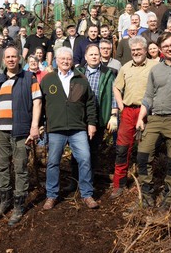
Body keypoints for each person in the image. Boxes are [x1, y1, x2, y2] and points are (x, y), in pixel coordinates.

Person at [39, 47, 99, 210]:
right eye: (62, 59)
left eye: (68, 59)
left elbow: (90, 103)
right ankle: (51, 195)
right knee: (52, 162)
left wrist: (91, 123)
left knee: (85, 159)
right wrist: (39, 125)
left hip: (77, 127)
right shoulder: (48, 80)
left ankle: (87, 194)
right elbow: (40, 105)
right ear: (56, 61)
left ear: (72, 60)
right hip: (56, 128)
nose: (65, 61)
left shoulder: (80, 79)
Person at [0, 46, 42, 225]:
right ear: (4, 60)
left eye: (14, 56)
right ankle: (5, 200)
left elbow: (37, 102)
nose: (11, 59)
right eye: (8, 57)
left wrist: (34, 127)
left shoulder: (29, 78)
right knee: (2, 167)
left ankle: (19, 205)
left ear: (19, 58)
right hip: (0, 132)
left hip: (21, 130)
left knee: (20, 168)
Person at [134, 33, 171, 208]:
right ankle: (147, 194)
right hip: (155, 117)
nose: (170, 48)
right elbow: (148, 96)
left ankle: (170, 195)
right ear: (160, 49)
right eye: (165, 47)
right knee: (143, 155)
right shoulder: (155, 69)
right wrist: (141, 117)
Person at [111, 36, 158, 199]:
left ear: (145, 50)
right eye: (134, 50)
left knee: (145, 150)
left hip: (148, 113)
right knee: (122, 149)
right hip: (129, 112)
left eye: (139, 49)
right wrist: (121, 105)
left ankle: (145, 184)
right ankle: (119, 184)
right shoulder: (125, 68)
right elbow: (116, 87)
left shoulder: (154, 66)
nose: (136, 52)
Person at [68, 45, 118, 190]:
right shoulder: (78, 72)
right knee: (76, 150)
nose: (94, 57)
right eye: (91, 54)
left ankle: (89, 181)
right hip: (80, 118)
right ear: (85, 57)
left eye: (96, 54)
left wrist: (113, 115)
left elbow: (114, 94)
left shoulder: (108, 73)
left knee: (93, 151)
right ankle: (73, 180)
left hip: (99, 117)